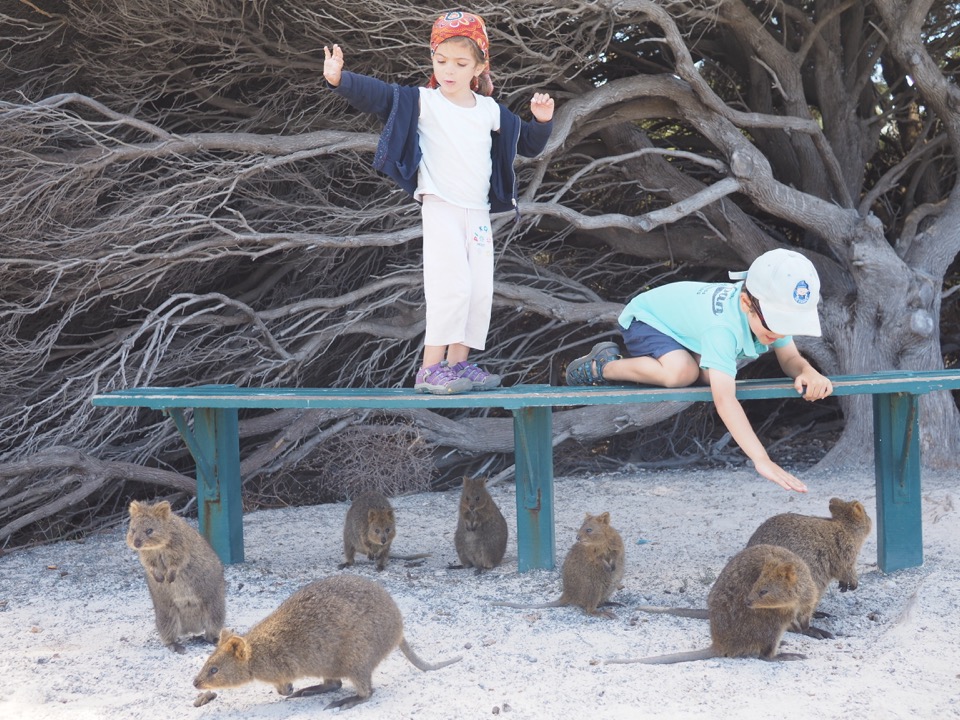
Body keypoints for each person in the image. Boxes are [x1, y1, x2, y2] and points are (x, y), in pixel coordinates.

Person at [322, 11, 555, 394]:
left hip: (476, 212)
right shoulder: (424, 101)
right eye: (440, 61)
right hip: (441, 205)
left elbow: (527, 144)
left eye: (461, 63)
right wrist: (339, 79)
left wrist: (542, 122)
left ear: (479, 67)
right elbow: (379, 95)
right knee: (452, 287)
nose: (449, 70)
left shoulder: (489, 110)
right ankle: (430, 370)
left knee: (479, 289)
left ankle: (458, 365)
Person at [565, 248, 833, 493]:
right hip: (649, 319)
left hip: (687, 330)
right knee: (681, 373)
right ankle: (603, 366)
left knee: (707, 374)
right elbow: (725, 400)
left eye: (788, 324)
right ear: (745, 303)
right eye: (776, 325)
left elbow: (790, 358)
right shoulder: (723, 330)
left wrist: (807, 371)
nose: (781, 333)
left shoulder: (769, 312)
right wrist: (761, 459)